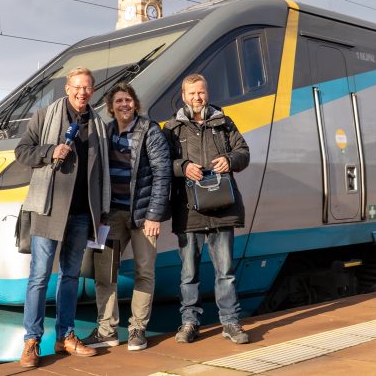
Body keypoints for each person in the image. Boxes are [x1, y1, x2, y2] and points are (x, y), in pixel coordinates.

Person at [14, 67, 110, 368]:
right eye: (77, 86)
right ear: (68, 88)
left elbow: (102, 169)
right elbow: (21, 151)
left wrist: (103, 208)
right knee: (40, 277)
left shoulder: (98, 124)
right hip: (49, 208)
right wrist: (49, 152)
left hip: (82, 212)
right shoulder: (45, 116)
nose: (82, 92)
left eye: (87, 87)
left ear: (92, 91)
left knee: (70, 277)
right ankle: (32, 341)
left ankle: (66, 336)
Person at [81, 82, 171, 352]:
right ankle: (107, 331)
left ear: (135, 103)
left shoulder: (149, 130)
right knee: (104, 274)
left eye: (128, 100)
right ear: (111, 107)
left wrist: (155, 214)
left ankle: (137, 330)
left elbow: (162, 174)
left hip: (143, 216)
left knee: (145, 271)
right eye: (118, 101)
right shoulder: (106, 132)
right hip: (111, 216)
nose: (124, 105)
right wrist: (97, 215)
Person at [163, 73, 251, 345]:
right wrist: (182, 167)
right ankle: (189, 322)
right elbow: (161, 162)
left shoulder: (224, 123)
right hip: (188, 210)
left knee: (225, 272)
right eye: (192, 94)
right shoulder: (171, 128)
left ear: (207, 92)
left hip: (223, 208)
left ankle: (230, 322)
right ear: (183, 95)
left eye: (201, 92)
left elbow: (244, 152)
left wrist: (229, 159)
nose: (197, 98)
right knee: (189, 274)